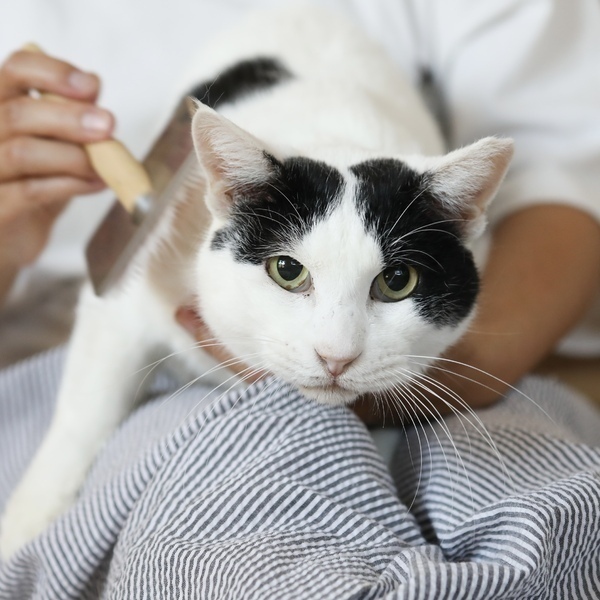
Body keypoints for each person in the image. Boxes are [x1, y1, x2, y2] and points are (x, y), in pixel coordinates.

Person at [0, 1, 599, 597]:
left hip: (443, 384)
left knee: (535, 504)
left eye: (393, 284)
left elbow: (563, 184)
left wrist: (465, 373)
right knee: (213, 541)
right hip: (152, 387)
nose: (337, 350)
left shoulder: (419, 191)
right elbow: (118, 309)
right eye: (289, 272)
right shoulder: (194, 224)